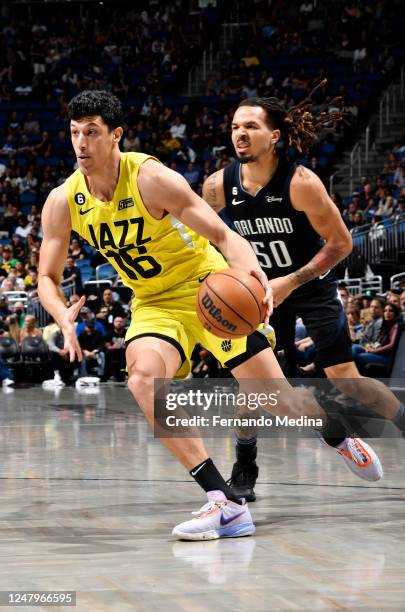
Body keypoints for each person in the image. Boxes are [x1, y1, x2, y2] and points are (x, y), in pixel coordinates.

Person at [38, 90, 382, 541]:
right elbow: (46, 274)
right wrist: (60, 312)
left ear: (115, 134)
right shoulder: (63, 200)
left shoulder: (152, 178)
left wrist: (252, 272)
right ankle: (224, 502)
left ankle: (334, 432)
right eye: (74, 133)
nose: (81, 143)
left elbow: (223, 233)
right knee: (142, 379)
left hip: (207, 292)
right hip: (153, 303)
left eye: (92, 132)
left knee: (279, 401)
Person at [202, 87, 405, 501]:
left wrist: (291, 280)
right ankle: (245, 465)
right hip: (255, 294)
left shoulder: (301, 182)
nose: (239, 134)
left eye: (251, 126)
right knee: (252, 388)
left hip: (309, 286)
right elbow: (208, 243)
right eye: (235, 126)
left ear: (274, 136)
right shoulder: (216, 187)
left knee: (346, 378)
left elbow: (342, 243)